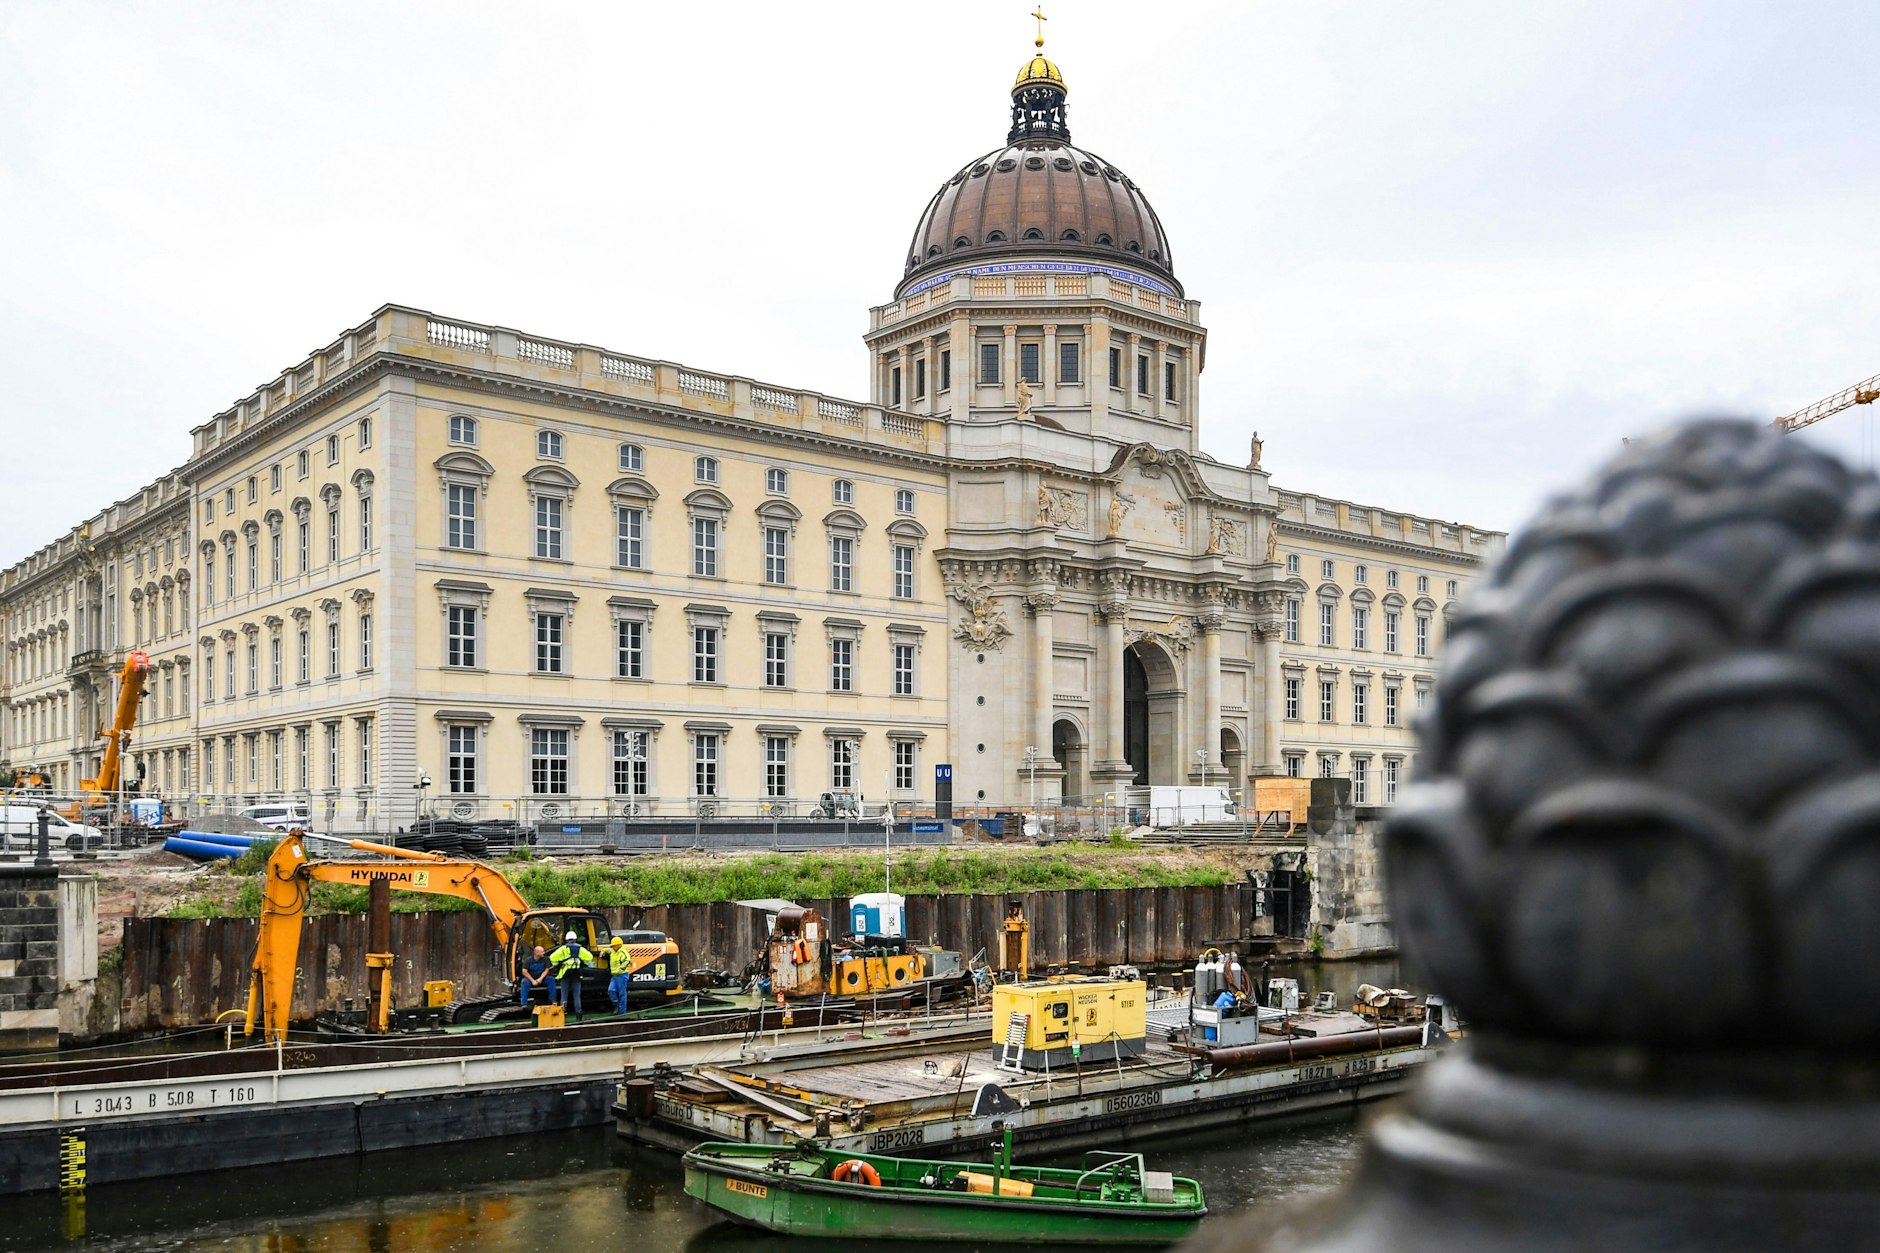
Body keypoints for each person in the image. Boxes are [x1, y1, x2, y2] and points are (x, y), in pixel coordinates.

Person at [547, 930, 593, 1018]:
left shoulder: (563, 949)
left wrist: (557, 964)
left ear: (567, 939)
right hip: (576, 974)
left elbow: (552, 957)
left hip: (565, 974)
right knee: (577, 995)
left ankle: (562, 1014)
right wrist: (583, 961)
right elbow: (589, 957)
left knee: (564, 995)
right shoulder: (580, 949)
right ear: (575, 939)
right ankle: (578, 1014)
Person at [606, 935, 633, 1015]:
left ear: (619, 945)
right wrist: (603, 951)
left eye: (614, 946)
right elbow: (608, 950)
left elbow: (628, 960)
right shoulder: (613, 951)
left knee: (622, 993)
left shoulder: (623, 952)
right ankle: (616, 1005)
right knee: (611, 990)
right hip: (615, 976)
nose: (612, 947)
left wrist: (621, 967)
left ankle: (622, 1011)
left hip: (622, 975)